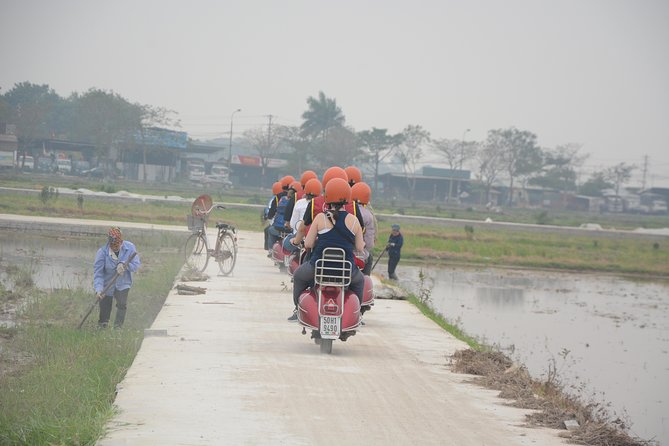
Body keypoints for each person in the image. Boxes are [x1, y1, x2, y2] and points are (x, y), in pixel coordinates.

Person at [288, 177, 365, 321]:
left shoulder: (319, 218)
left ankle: (298, 308)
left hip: (319, 268)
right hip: (346, 271)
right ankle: (357, 315)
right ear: (348, 197)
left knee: (298, 276)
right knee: (361, 281)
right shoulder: (354, 220)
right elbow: (360, 248)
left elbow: (308, 244)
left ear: (327, 196)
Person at [93, 227, 141, 328]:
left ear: (121, 242)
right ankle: (102, 327)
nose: (114, 248)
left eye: (117, 245)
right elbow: (98, 274)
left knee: (122, 305)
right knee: (105, 308)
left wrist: (124, 265)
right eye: (112, 246)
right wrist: (99, 290)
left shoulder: (130, 247)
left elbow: (136, 265)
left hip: (123, 283)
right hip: (107, 285)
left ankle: (118, 328)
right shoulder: (102, 253)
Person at [351, 182, 376, 275]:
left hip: (343, 252)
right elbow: (369, 244)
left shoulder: (345, 210)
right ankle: (365, 279)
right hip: (358, 255)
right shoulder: (368, 215)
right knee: (369, 258)